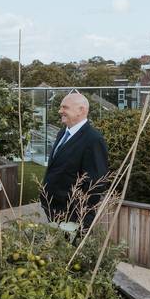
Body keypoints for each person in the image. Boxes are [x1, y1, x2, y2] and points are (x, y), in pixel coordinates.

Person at [40, 92, 109, 230]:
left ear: (81, 110)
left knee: (70, 251)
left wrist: (76, 217)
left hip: (72, 217)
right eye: (61, 107)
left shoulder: (93, 140)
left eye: (65, 108)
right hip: (53, 209)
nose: (60, 111)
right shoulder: (62, 133)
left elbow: (95, 183)